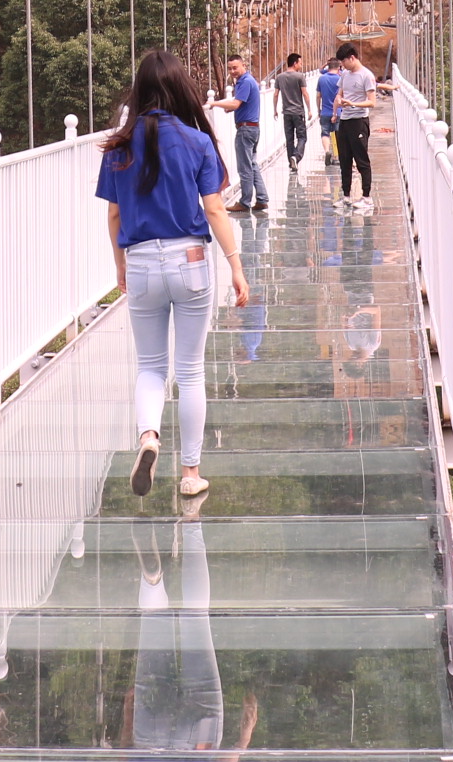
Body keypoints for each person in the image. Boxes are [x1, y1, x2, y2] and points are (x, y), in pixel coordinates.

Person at [96, 49, 249, 499]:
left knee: (150, 366)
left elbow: (113, 217)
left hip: (141, 261)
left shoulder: (120, 145)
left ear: (139, 90)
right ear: (181, 87)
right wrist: (236, 266)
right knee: (190, 370)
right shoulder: (197, 141)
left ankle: (148, 438)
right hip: (191, 262)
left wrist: (120, 265)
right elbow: (215, 208)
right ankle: (189, 474)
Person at [330, 44, 393, 212]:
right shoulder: (345, 75)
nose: (342, 66)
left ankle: (367, 198)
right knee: (344, 160)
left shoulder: (366, 75)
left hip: (359, 121)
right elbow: (340, 94)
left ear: (352, 58)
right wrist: (336, 109)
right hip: (344, 120)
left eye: (343, 62)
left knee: (361, 160)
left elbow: (372, 102)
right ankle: (346, 196)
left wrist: (353, 103)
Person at [222, 54, 267, 213]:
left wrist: (214, 103)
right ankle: (261, 199)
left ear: (243, 66)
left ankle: (244, 201)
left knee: (244, 167)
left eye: (235, 67)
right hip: (252, 128)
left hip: (246, 130)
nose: (232, 71)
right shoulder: (247, 81)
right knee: (252, 165)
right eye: (230, 68)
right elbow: (238, 105)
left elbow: (235, 103)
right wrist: (229, 107)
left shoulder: (245, 82)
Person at [272, 53, 309, 172]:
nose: (301, 65)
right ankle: (296, 157)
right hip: (298, 112)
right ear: (295, 63)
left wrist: (275, 110)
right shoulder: (299, 76)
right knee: (302, 137)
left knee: (289, 139)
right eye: (300, 62)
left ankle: (291, 163)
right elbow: (305, 93)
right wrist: (310, 109)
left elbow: (276, 94)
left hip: (286, 113)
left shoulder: (279, 77)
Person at [312, 55, 344, 172]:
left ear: (328, 66)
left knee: (325, 133)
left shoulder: (322, 79)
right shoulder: (340, 78)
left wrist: (318, 110)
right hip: (339, 111)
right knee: (338, 134)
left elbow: (318, 96)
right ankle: (337, 157)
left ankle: (327, 151)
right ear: (339, 67)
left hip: (325, 111)